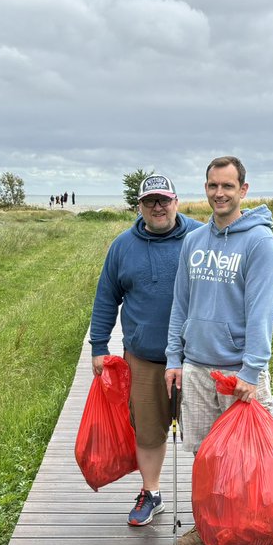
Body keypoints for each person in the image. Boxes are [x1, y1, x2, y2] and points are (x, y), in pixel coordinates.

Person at [164, 155, 273, 545]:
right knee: (204, 457)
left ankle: (247, 543)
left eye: (228, 186)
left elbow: (261, 311)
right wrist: (174, 359)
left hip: (237, 373)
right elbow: (180, 304)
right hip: (196, 366)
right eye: (213, 185)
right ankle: (209, 526)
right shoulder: (193, 242)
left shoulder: (259, 242)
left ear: (243, 191)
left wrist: (251, 372)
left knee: (245, 461)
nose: (219, 193)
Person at [89, 173, 203, 526]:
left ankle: (209, 503)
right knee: (149, 430)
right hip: (144, 358)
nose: (158, 207)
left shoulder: (201, 237)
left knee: (205, 435)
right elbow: (107, 296)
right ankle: (151, 493)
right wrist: (98, 344)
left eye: (164, 200)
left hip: (197, 359)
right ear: (139, 206)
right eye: (150, 201)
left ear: (176, 202)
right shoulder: (123, 246)